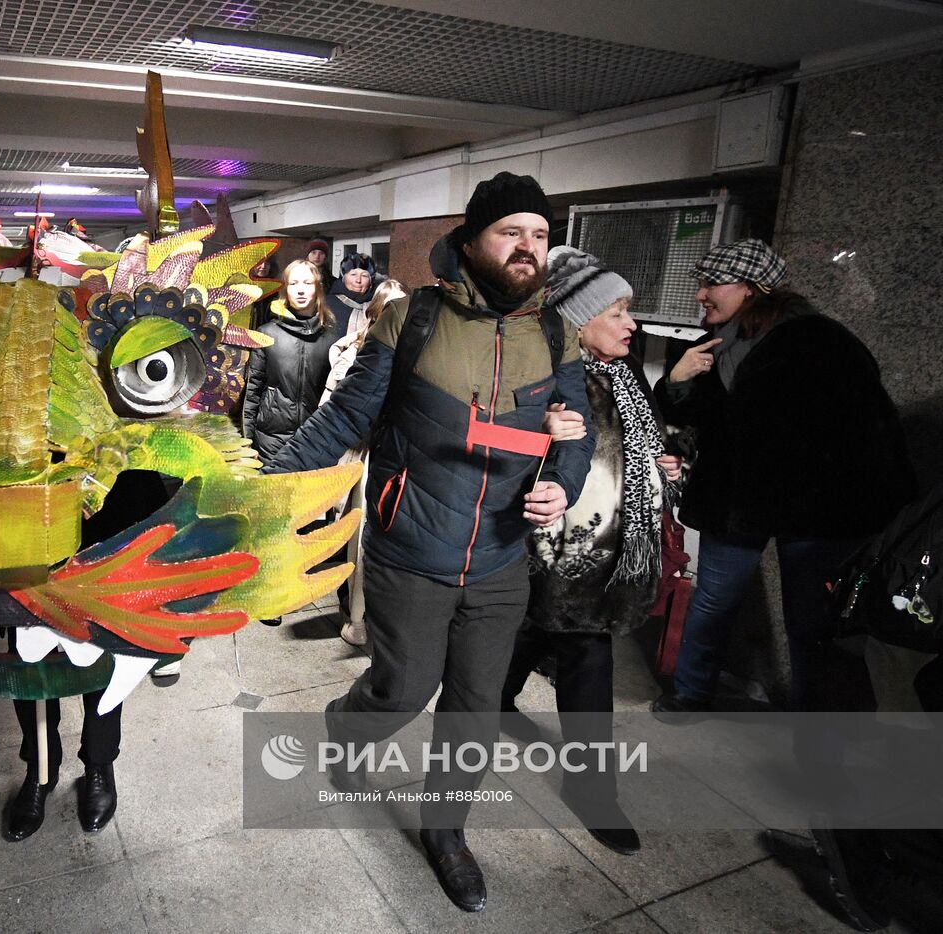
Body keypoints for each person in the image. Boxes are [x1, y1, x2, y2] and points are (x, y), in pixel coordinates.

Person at [266, 172, 596, 912]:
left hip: (502, 560)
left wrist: (564, 482)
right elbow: (342, 422)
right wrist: (264, 489)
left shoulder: (556, 332)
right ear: (472, 240)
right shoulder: (411, 321)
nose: (528, 248)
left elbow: (577, 432)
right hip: (413, 549)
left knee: (475, 711)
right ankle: (345, 729)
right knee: (404, 689)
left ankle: (446, 833)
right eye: (512, 232)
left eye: (540, 235)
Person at [650, 239, 914, 715]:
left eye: (712, 284)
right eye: (701, 284)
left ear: (752, 287)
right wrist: (677, 380)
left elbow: (866, 424)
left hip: (814, 509)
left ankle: (813, 722)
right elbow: (692, 416)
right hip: (737, 500)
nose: (700, 295)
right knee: (714, 602)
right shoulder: (714, 344)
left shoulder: (821, 340)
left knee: (810, 621)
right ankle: (690, 692)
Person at [501, 247, 683, 855]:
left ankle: (499, 699)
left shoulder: (627, 377)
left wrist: (659, 463)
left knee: (540, 633)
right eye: (618, 311)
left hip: (613, 545)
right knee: (586, 651)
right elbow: (509, 445)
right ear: (579, 319)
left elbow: (640, 443)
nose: (633, 323)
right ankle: (592, 788)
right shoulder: (548, 376)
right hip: (561, 548)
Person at [2, 470, 172, 841]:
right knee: (31, 658)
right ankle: (40, 768)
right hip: (30, 507)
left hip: (113, 508)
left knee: (105, 657)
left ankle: (99, 763)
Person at [320, 278, 407, 648]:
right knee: (355, 538)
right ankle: (354, 613)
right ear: (377, 315)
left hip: (398, 463)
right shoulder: (354, 355)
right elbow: (333, 413)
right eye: (392, 311)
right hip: (361, 461)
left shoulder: (416, 356)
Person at [242, 260, 342, 465]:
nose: (300, 290)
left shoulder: (331, 337)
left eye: (307, 283)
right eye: (293, 283)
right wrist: (247, 442)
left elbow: (335, 394)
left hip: (314, 437)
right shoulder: (267, 334)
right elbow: (253, 392)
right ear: (285, 289)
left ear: (318, 288)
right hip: (271, 439)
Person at [325, 252, 376, 336]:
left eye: (364, 276)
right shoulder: (327, 304)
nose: (358, 280)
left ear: (371, 282)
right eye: (353, 274)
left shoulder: (377, 305)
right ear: (343, 278)